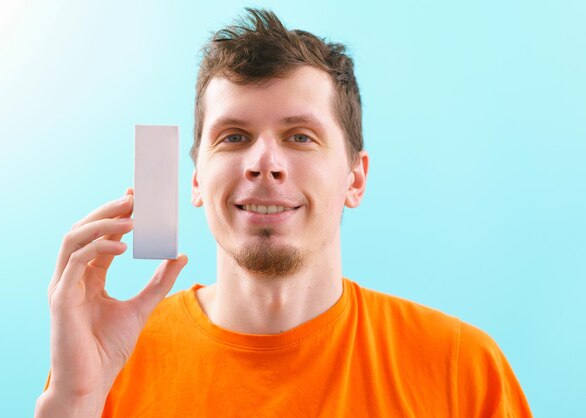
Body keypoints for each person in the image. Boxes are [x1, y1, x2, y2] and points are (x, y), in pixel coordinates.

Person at [35, 9, 532, 418]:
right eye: (234, 137)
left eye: (300, 137)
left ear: (355, 178)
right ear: (195, 182)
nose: (263, 164)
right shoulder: (108, 363)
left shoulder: (462, 370)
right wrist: (74, 404)